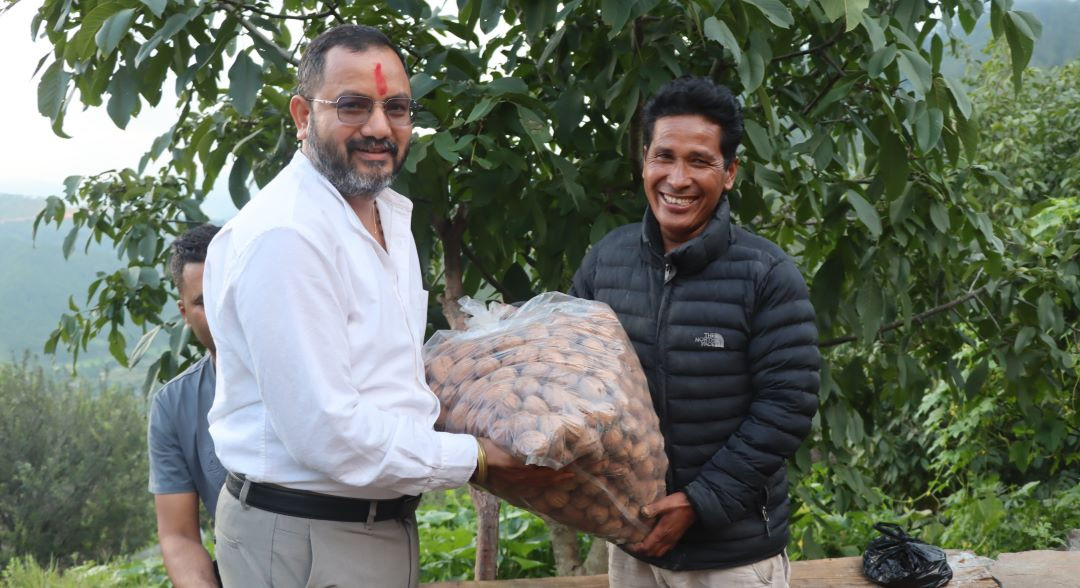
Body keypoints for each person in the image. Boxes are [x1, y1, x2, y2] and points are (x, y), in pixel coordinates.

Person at [203, 24, 550, 587]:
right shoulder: (288, 236)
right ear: (302, 115)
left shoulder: (388, 213)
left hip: (371, 526)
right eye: (353, 106)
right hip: (307, 535)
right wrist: (479, 457)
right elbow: (326, 431)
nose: (380, 128)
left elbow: (383, 376)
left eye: (397, 108)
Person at [570, 76, 821, 587]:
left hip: (732, 556)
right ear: (644, 160)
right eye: (664, 157)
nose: (678, 179)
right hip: (633, 543)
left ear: (729, 173)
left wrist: (700, 502)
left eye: (700, 161)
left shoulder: (767, 274)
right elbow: (570, 373)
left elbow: (787, 406)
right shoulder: (606, 261)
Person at [148, 223, 224, 588]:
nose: (220, 311)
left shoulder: (312, 369)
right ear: (184, 311)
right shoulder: (174, 405)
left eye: (228, 292)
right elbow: (178, 535)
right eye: (204, 302)